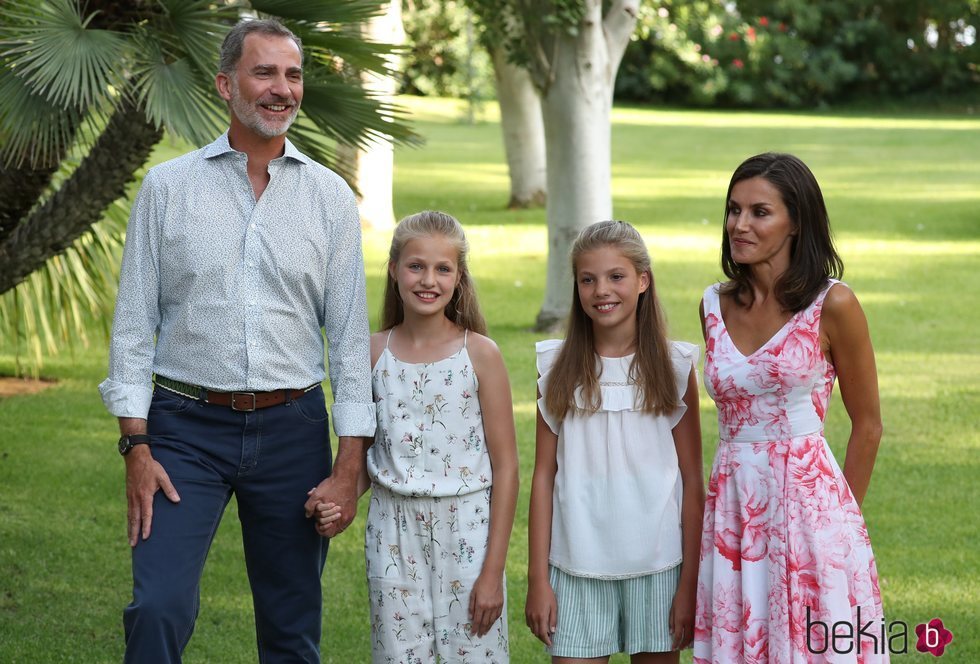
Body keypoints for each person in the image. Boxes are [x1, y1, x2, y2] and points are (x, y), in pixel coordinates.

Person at [98, 19, 375, 663]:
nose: (282, 89)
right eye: (265, 72)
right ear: (227, 85)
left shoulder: (330, 198)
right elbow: (134, 330)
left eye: (293, 74)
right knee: (158, 606)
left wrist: (348, 465)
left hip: (293, 430)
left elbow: (350, 344)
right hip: (182, 431)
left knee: (291, 625)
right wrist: (136, 446)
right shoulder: (168, 190)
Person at [693, 153, 887, 663]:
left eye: (760, 212)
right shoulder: (713, 304)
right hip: (734, 504)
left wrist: (840, 526)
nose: (740, 224)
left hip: (811, 510)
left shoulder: (834, 304)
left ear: (796, 221)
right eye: (734, 210)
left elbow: (868, 425)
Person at [317, 211, 518, 663]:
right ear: (393, 269)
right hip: (392, 532)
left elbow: (506, 469)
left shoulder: (481, 355)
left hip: (467, 532)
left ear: (459, 277)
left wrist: (493, 572)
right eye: (416, 266)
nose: (429, 279)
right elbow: (365, 462)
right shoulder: (372, 353)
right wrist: (336, 496)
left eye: (443, 268)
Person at [525, 220, 705, 664]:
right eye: (588, 279)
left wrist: (689, 584)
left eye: (616, 276)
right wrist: (537, 578)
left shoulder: (675, 367)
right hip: (576, 565)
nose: (601, 290)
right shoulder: (555, 368)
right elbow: (543, 476)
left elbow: (692, 478)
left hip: (660, 566)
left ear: (643, 281)